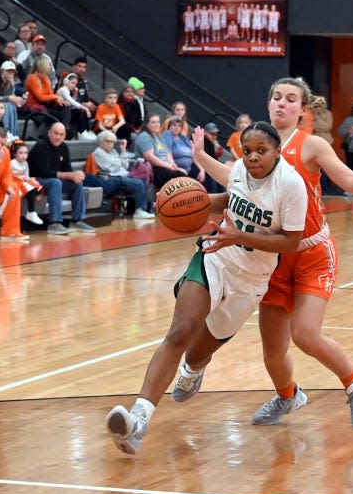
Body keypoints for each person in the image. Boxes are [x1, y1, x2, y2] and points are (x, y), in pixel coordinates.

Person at [186, 77, 353, 431]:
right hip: (273, 256)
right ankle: (289, 395)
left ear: (302, 110)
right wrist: (201, 157)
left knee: (305, 334)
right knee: (272, 350)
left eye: (290, 99)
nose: (281, 103)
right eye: (276, 97)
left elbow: (352, 185)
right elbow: (234, 178)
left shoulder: (313, 145)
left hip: (311, 251)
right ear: (268, 103)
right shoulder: (256, 145)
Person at [105, 121, 309, 455]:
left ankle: (193, 367)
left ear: (277, 152)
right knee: (180, 330)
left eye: (262, 151)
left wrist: (240, 236)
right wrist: (178, 202)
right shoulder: (240, 171)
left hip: (252, 280)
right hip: (215, 258)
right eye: (248, 151)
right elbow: (228, 200)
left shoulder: (290, 185)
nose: (253, 157)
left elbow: (291, 241)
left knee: (198, 351)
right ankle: (137, 420)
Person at [27, 122, 97, 235]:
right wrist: (69, 175)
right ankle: (54, 223)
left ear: (64, 136)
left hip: (52, 179)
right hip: (36, 180)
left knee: (77, 183)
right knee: (56, 182)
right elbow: (45, 172)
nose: (58, 137)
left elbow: (67, 169)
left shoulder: (64, 147)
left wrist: (77, 174)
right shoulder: (41, 146)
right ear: (49, 133)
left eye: (61, 134)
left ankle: (77, 220)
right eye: (55, 133)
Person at [89, 130, 153, 219]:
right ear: (101, 141)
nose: (110, 144)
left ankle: (143, 209)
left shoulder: (114, 152)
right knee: (137, 183)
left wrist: (123, 151)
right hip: (113, 178)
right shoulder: (98, 153)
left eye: (112, 142)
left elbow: (125, 165)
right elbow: (112, 168)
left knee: (144, 179)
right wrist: (119, 161)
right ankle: (139, 210)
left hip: (124, 175)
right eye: (108, 141)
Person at [134, 113, 185, 188]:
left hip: (165, 167)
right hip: (153, 169)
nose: (156, 124)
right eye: (153, 122)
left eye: (158, 122)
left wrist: (173, 164)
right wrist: (168, 166)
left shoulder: (158, 136)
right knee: (178, 183)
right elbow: (150, 157)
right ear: (147, 124)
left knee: (184, 177)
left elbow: (167, 152)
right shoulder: (144, 136)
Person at [23, 55, 70, 127]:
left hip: (45, 104)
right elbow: (40, 97)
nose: (50, 67)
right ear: (43, 65)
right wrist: (55, 97)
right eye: (49, 65)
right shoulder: (32, 78)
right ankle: (63, 129)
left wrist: (59, 101)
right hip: (35, 106)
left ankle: (64, 129)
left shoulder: (46, 78)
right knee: (61, 114)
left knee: (65, 107)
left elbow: (50, 94)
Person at [9, 140, 44, 225]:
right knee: (30, 189)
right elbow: (7, 177)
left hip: (23, 184)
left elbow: (26, 177)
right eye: (20, 153)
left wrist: (33, 181)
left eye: (26, 153)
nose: (24, 155)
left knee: (40, 187)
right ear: (14, 154)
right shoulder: (11, 163)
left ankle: (32, 202)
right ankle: (31, 212)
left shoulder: (26, 163)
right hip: (15, 185)